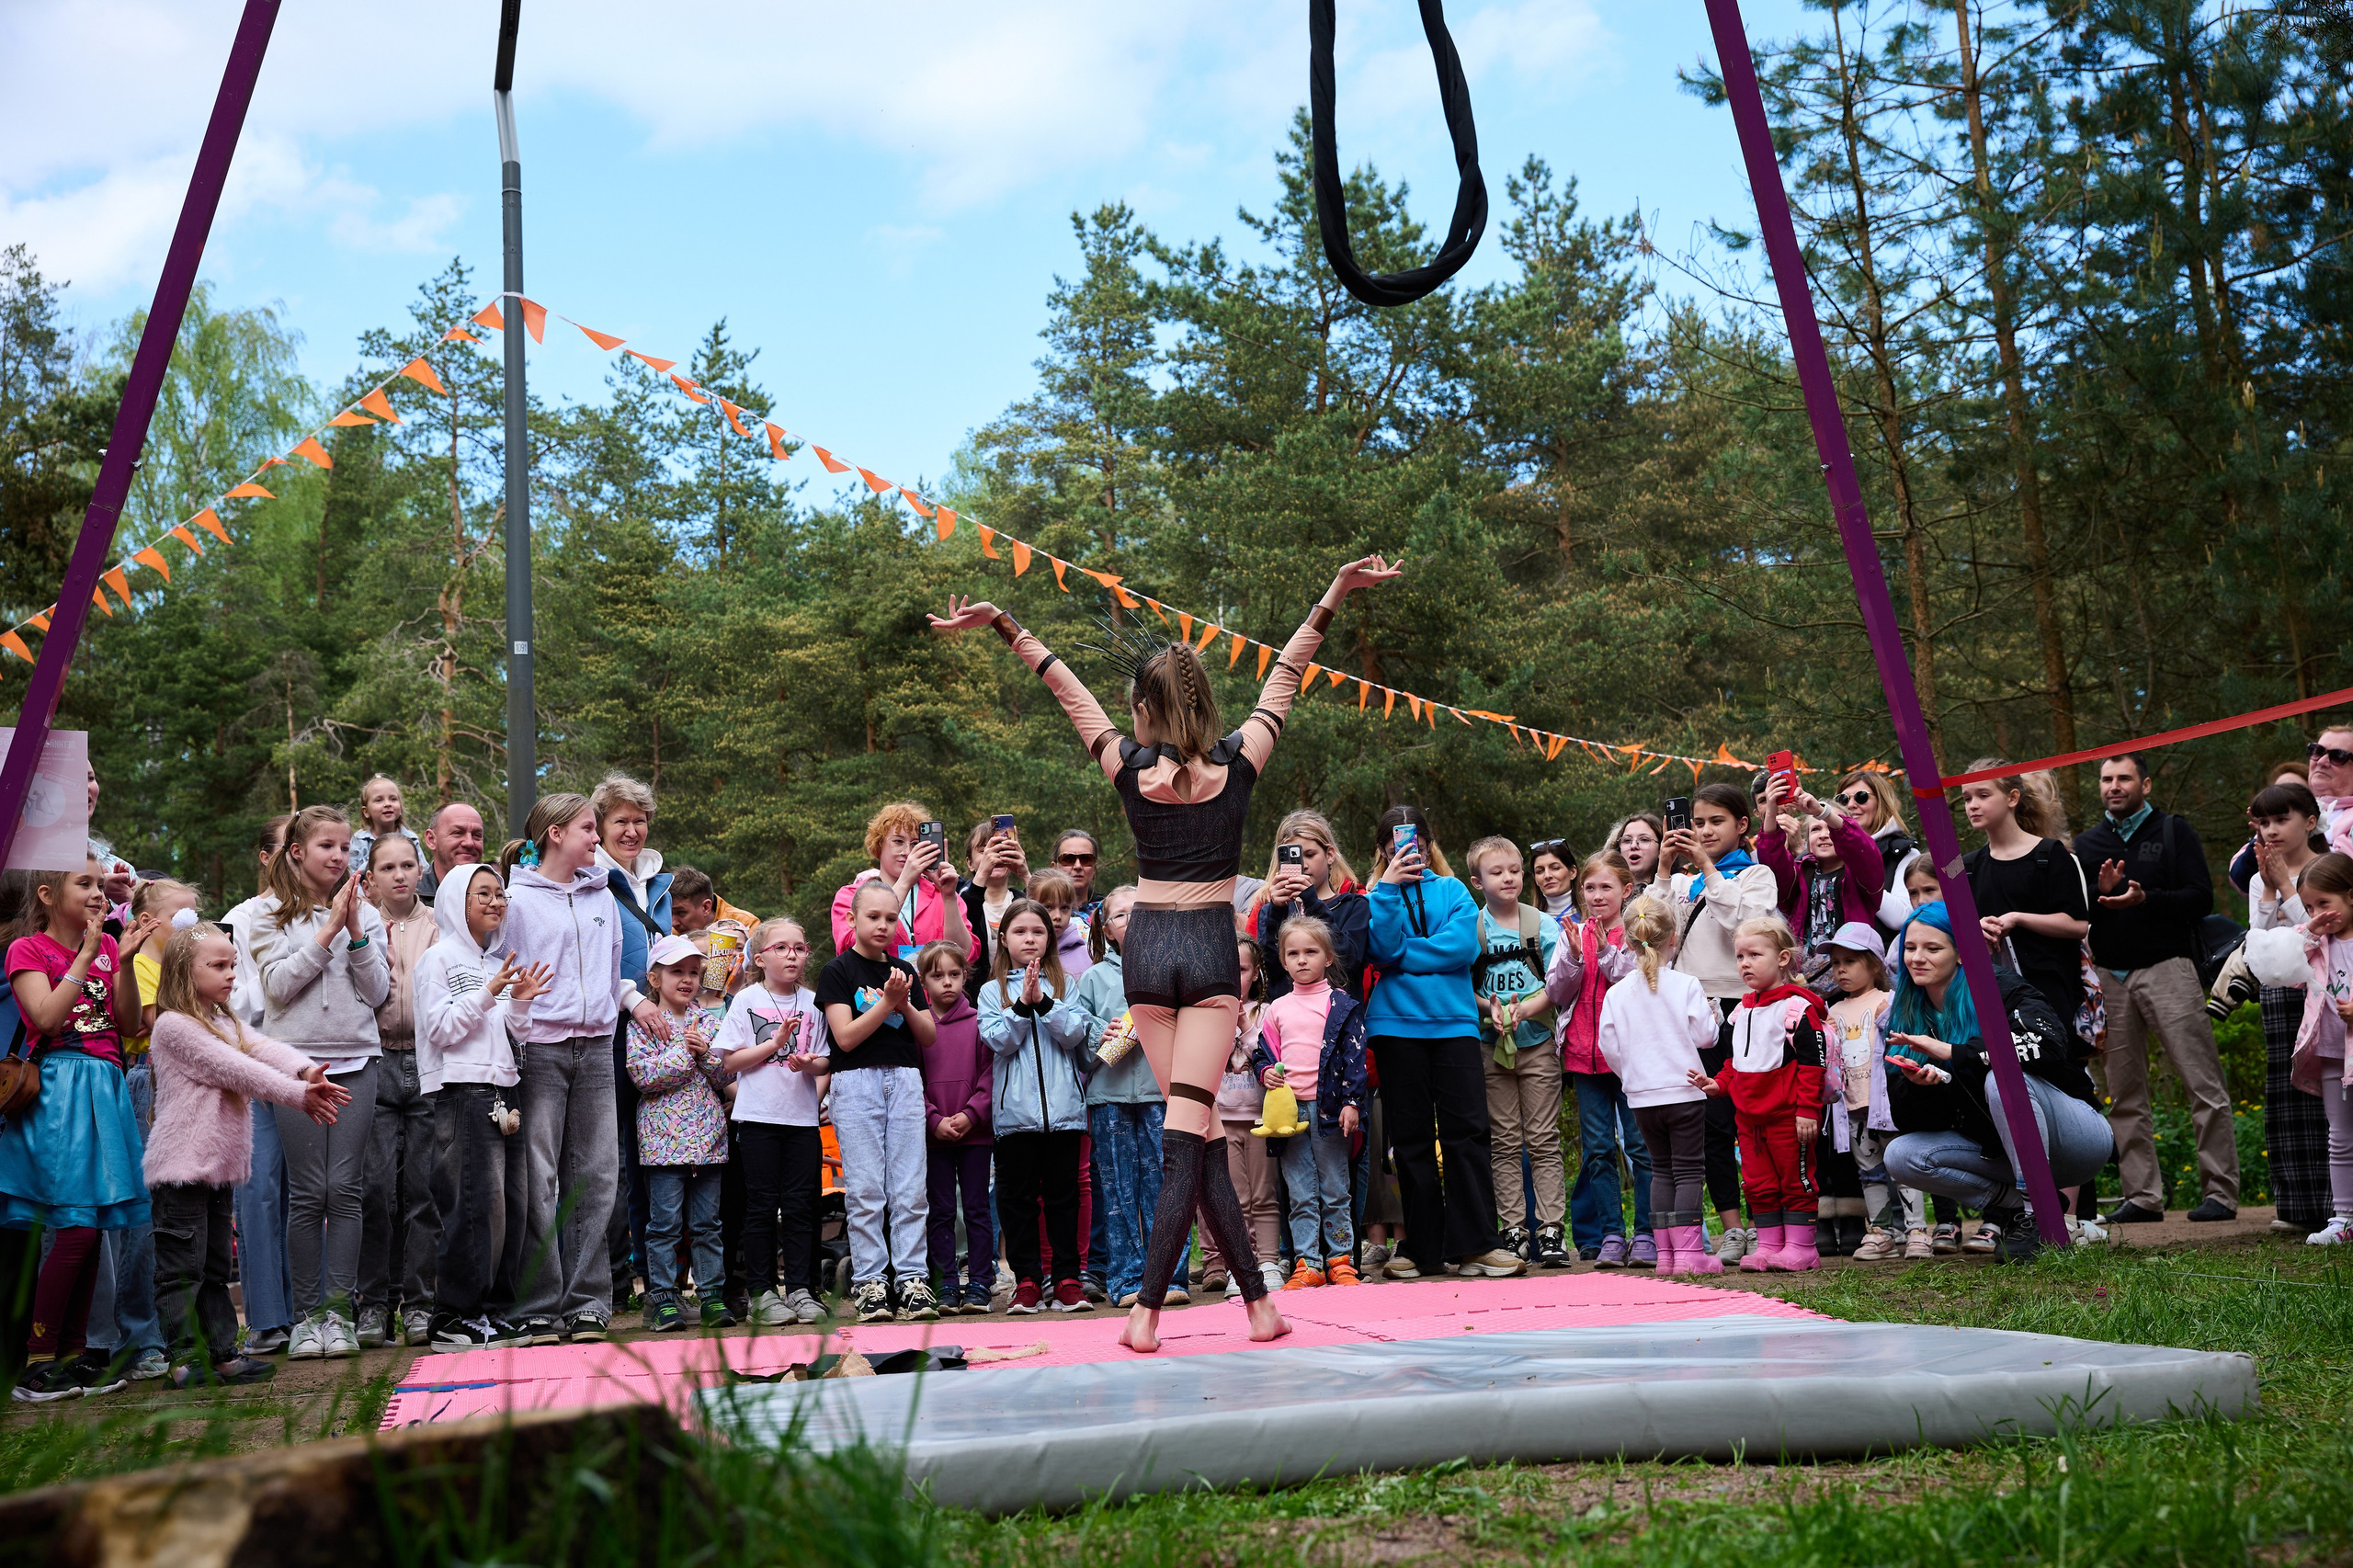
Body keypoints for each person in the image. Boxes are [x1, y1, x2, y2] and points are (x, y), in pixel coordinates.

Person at [931, 556, 1399, 1355]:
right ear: (1206, 702)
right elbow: (1288, 672)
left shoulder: (1126, 765)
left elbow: (1064, 687)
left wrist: (1008, 625)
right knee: (1189, 1132)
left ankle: (1256, 1302)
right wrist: (1335, 592)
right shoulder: (1243, 760)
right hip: (1210, 959)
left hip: (1147, 953)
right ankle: (1148, 1309)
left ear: (1145, 708)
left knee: (1200, 1131)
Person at [143, 924, 348, 1388]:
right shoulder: (174, 1026)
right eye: (217, 966)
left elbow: (261, 1047)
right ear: (182, 970)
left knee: (214, 1266)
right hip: (181, 1168)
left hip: (215, 1168)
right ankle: (182, 1359)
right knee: (180, 1270)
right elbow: (237, 1069)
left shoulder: (222, 1022)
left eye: (233, 964)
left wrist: (305, 1068)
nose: (231, 974)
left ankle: (220, 1353)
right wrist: (300, 1095)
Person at [503, 791, 666, 1346]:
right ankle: (539, 1304)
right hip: (540, 1051)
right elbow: (504, 975)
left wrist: (630, 1000)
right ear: (555, 834)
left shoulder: (603, 897)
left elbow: (606, 971)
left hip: (598, 1049)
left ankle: (588, 1303)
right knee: (539, 1177)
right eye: (587, 829)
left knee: (597, 1177)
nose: (597, 839)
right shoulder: (516, 900)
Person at [3, 859, 162, 1401]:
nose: (99, 894)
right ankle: (36, 1362)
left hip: (105, 1086)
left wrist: (122, 962)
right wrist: (88, 956)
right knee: (74, 1227)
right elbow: (45, 1018)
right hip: (60, 1090)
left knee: (93, 1227)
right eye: (85, 885)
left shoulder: (110, 950)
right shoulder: (27, 950)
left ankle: (72, 1357)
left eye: (101, 885)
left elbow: (125, 1022)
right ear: (47, 895)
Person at [1881, 903, 2113, 1263]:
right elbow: (1910, 1121)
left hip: (2077, 1137)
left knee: (1999, 1081)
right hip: (1998, 1151)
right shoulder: (1907, 1011)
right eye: (1910, 948)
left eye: (1933, 948)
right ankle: (2029, 1206)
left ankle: (2038, 1218)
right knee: (1901, 1155)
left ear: (1961, 953)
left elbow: (2048, 1044)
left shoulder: (2000, 988)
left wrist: (1951, 1052)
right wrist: (1921, 1087)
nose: (1917, 958)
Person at [2071, 754, 2239, 1223]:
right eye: (2107, 779)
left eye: (2124, 778)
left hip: (2170, 970)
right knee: (2124, 1094)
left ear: (2144, 784)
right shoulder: (2088, 843)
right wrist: (2102, 896)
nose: (2114, 786)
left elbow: (2200, 898)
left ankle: (2220, 1194)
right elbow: (2080, 916)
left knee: (2203, 1083)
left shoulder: (2172, 831)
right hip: (2110, 977)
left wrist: (2147, 898)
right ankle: (2143, 1197)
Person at [250, 806, 391, 1358]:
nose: (339, 857)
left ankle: (340, 1316)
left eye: (344, 849)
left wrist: (356, 928)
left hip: (358, 1061)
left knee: (346, 1190)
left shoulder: (368, 913)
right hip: (295, 1066)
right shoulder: (264, 915)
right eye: (326, 847)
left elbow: (378, 992)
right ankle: (309, 1320)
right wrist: (329, 927)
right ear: (296, 853)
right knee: (309, 1193)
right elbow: (279, 989)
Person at [1364, 805, 1524, 1281]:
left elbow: (1462, 949)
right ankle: (1421, 1248)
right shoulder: (1377, 895)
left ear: (1428, 844)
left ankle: (1477, 1245)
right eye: (1395, 844)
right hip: (1395, 1029)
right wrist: (1390, 890)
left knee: (1468, 1134)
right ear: (1383, 849)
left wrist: (1405, 957)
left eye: (1413, 842)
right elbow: (1381, 950)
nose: (1405, 850)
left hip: (1453, 1026)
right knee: (1409, 1142)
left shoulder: (1453, 890)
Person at [414, 862, 548, 1348]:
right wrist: (491, 995)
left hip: (502, 1090)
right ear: (455, 902)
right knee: (471, 1205)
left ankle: (492, 1310)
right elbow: (440, 1030)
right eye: (483, 894)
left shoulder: (497, 963)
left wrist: (522, 1002)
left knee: (506, 1208)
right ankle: (452, 1317)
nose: (496, 902)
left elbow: (516, 1035)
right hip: (461, 1092)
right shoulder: (439, 960)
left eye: (500, 895)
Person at [1649, 782, 1779, 1266]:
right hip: (1691, 1012)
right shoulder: (1683, 883)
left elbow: (1747, 929)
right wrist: (1665, 869)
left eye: (1715, 822)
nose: (1703, 830)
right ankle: (1732, 1227)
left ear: (1742, 826)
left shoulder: (1756, 876)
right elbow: (1653, 928)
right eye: (1696, 822)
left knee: (1755, 1118)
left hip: (1746, 1011)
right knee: (1711, 1125)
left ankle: (1773, 1221)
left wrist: (1708, 868)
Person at [819, 880, 939, 1324]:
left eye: (892, 918)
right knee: (867, 1189)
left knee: (909, 1187)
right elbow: (845, 1038)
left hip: (905, 1081)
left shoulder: (905, 970)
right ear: (852, 919)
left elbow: (928, 1034)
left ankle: (912, 1279)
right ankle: (870, 1281)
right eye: (873, 917)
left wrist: (903, 1003)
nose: (883, 926)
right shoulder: (838, 971)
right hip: (855, 1084)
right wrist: (886, 1003)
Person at [713, 917, 831, 1327]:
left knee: (802, 1207)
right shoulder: (746, 1001)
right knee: (760, 1207)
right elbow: (728, 1061)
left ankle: (802, 1288)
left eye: (799, 947)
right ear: (760, 958)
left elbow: (826, 1060)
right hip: (758, 1120)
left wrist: (811, 1071)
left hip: (801, 1124)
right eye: (781, 948)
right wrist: (774, 1045)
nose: (792, 955)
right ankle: (763, 1292)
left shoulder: (815, 1002)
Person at [1692, 917, 1827, 1273]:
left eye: (1755, 954)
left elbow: (1813, 1066)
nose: (1745, 963)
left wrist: (1807, 1111)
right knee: (1758, 1183)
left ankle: (1801, 1247)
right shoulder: (1741, 1010)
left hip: (1788, 1116)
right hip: (1748, 1119)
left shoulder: (1799, 1008)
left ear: (1783, 958)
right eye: (1739, 956)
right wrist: (1719, 1085)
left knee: (1795, 1180)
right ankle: (1769, 1245)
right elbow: (1736, 1062)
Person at [1595, 896, 1721, 1277]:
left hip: (1641, 1097)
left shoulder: (1617, 994)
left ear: (1628, 944)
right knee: (1687, 1171)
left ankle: (1666, 1257)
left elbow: (1608, 1046)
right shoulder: (1685, 985)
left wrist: (1632, 1074)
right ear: (1674, 939)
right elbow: (1706, 1037)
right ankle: (1689, 1254)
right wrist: (1714, 1016)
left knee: (1660, 1169)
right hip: (1683, 1092)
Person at [1076, 887, 1187, 1309]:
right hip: (1109, 1097)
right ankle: (1125, 1280)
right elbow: (1081, 1049)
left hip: (1162, 1093)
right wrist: (1097, 1034)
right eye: (1121, 916)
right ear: (1107, 929)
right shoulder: (1092, 978)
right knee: (1117, 1190)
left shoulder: (1172, 968)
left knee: (1165, 1185)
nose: (1132, 922)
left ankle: (1171, 1277)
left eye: (1140, 913)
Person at [979, 898, 1090, 1316]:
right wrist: (1022, 1005)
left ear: (1049, 939)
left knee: (1064, 1199)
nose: (1029, 938)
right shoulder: (992, 991)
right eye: (1021, 931)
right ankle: (1026, 1281)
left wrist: (1043, 1001)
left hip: (1064, 1114)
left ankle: (1066, 1279)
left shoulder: (1065, 987)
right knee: (1017, 1199)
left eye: (1038, 931)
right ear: (1004, 939)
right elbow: (999, 1040)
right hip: (1015, 1118)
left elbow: (1075, 1033)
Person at [1462, 836, 1563, 1267]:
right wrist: (1492, 1009)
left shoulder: (1542, 925)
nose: (1508, 878)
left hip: (1537, 1043)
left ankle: (1551, 1228)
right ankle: (1514, 1229)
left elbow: (1559, 983)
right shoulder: (1472, 929)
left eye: (1515, 870)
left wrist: (1524, 1010)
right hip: (1491, 1047)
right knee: (1503, 1141)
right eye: (1496, 872)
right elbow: (1463, 986)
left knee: (1543, 1139)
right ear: (1477, 881)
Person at [592, 774, 672, 1316]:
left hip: (661, 1032)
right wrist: (632, 999)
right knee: (610, 1155)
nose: (632, 829)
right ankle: (611, 1276)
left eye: (639, 820)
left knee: (655, 1153)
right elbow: (589, 956)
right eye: (620, 820)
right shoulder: (589, 878)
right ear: (597, 828)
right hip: (612, 1029)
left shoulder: (658, 881)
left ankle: (654, 1272)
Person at [1253, 915, 1369, 1288]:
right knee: (1300, 1191)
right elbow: (1263, 1052)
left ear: (1329, 958)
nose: (1302, 960)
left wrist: (1352, 1102)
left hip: (1330, 1112)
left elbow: (1355, 1057)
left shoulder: (1342, 1005)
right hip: (1289, 1114)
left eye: (1311, 952)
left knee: (1335, 1187)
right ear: (1283, 961)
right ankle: (1308, 1263)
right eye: (1293, 953)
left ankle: (1341, 1259)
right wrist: (1265, 1071)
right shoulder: (1276, 1008)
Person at [2244, 852, 2353, 1246]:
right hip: (2328, 1051)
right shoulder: (2317, 942)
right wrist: (2307, 928)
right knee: (2339, 1136)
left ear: (2351, 896)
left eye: (2325, 903)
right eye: (2309, 906)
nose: (2317, 912)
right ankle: (2343, 1217)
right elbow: (2279, 969)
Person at [358, 831, 439, 1349]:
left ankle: (421, 1303)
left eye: (408, 865)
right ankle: (373, 1305)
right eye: (388, 868)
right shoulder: (360, 924)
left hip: (429, 1063)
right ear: (371, 877)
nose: (400, 875)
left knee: (424, 1192)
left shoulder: (438, 923)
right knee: (375, 1191)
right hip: (378, 1059)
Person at [2242, 782, 2334, 1234]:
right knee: (2286, 1090)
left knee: (2327, 1090)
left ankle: (2337, 1204)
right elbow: (2258, 940)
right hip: (2278, 992)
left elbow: (2319, 933)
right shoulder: (2261, 873)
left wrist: (2285, 885)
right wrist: (2267, 889)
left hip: (2321, 987)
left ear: (2310, 821)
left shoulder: (2331, 867)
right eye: (2263, 822)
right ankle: (2297, 1204)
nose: (2271, 830)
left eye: (2282, 820)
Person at [626, 937, 731, 1332]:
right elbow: (644, 1077)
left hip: (708, 1140)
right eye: (676, 972)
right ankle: (664, 1299)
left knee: (707, 1225)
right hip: (662, 1144)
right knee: (663, 1226)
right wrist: (684, 1053)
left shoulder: (709, 1021)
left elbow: (726, 1075)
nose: (686, 980)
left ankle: (711, 1297)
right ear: (655, 978)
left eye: (693, 972)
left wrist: (706, 1054)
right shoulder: (643, 1025)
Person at [1549, 851, 1643, 1266]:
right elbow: (1557, 993)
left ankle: (1646, 1233)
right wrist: (1573, 956)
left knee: (1640, 1147)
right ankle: (1610, 1236)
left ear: (1626, 890)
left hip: (1631, 1060)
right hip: (1583, 1059)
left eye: (1606, 887)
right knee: (1599, 1149)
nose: (1597, 895)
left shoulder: (1639, 931)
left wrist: (1605, 954)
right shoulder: (1572, 932)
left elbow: (1636, 985)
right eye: (1590, 887)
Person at [226, 813, 295, 1354]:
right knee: (259, 1191)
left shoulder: (331, 913)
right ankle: (269, 1318)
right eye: (288, 847)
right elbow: (237, 1001)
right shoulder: (240, 920)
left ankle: (321, 1311)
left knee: (318, 1195)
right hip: (256, 1070)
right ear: (267, 857)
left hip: (316, 1067)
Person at [1959, 761, 2091, 1041]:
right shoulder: (1967, 866)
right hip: (1995, 995)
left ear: (2012, 797)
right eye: (1967, 798)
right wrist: (1976, 928)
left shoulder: (2049, 854)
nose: (1973, 805)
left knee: (2060, 1073)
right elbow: (1955, 930)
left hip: (2052, 992)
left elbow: (2077, 924)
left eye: (1983, 795)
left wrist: (2017, 918)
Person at [1817, 924, 1924, 1261]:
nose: (1840, 970)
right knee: (1870, 1172)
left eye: (1849, 961)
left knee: (1902, 1167)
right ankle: (1882, 1233)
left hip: (1886, 1105)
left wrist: (1889, 1020)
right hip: (1852, 1107)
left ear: (1874, 964)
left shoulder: (1888, 1001)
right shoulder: (1832, 1010)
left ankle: (1917, 1230)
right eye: (1835, 963)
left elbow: (1906, 1041)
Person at [1202, 939, 1283, 1297]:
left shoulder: (1266, 1012)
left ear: (1256, 973)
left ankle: (1268, 1260)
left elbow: (1269, 1054)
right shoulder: (1203, 1013)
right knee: (1234, 1196)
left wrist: (1242, 1025)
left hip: (1260, 1116)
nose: (1234, 977)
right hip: (1222, 1118)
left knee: (1264, 1194)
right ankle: (1243, 1264)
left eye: (1242, 970)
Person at [916, 939, 992, 1315]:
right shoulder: (918, 1025)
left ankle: (980, 1282)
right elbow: (912, 1079)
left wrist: (971, 1114)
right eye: (937, 975)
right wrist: (934, 1121)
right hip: (934, 1138)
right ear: (923, 981)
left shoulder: (981, 1022)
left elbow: (991, 1076)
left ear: (966, 976)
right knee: (940, 1210)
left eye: (954, 974)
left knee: (978, 1208)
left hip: (975, 1134)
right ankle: (945, 1282)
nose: (946, 982)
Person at [1756, 778, 1889, 978]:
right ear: (1807, 839)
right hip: (1806, 981)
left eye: (1830, 827)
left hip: (1855, 977)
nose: (1824, 834)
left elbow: (1862, 849)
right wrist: (1772, 810)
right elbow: (1772, 861)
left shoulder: (1862, 876)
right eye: (1816, 829)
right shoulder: (1800, 874)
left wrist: (1821, 812)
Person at [829, 802, 977, 971]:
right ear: (879, 845)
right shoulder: (851, 896)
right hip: (877, 994)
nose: (907, 852)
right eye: (898, 841)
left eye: (915, 844)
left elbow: (964, 956)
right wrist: (906, 881)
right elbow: (850, 948)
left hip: (932, 996)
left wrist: (949, 897)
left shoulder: (943, 895)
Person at [1247, 810, 1369, 1001]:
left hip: (1337, 1022)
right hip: (1287, 1023)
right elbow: (1268, 972)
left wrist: (1313, 903)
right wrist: (1277, 912)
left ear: (1330, 855)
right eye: (1293, 858)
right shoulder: (1270, 911)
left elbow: (1348, 962)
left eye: (1310, 854)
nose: (1303, 865)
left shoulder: (1355, 906)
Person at [1828, 770, 1923, 933]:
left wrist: (1860, 867)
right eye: (1842, 800)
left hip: (1879, 955)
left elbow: (1901, 918)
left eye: (1861, 797)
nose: (1850, 805)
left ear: (1882, 803)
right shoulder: (1828, 850)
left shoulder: (1904, 853)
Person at [961, 818, 1029, 998]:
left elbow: (1047, 917)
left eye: (1002, 848)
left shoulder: (1021, 899)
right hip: (975, 998)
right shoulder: (961, 900)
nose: (994, 855)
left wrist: (1025, 873)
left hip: (1022, 994)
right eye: (984, 850)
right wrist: (983, 873)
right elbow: (963, 925)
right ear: (970, 863)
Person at [417, 801, 487, 906]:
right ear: (431, 840)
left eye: (476, 835)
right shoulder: (411, 900)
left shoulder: (498, 898)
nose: (469, 843)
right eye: (458, 833)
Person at [349, 775, 423, 875]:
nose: (388, 804)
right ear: (366, 812)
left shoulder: (411, 839)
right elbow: (350, 876)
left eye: (393, 799)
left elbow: (423, 873)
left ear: (400, 807)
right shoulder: (358, 841)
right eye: (379, 800)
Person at [1030, 869, 1093, 982]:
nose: (1057, 916)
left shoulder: (1087, 956)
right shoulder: (1019, 951)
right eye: (1048, 907)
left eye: (1064, 908)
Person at [1051, 830, 1106, 926]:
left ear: (1094, 868)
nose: (1078, 866)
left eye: (1086, 859)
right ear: (1054, 867)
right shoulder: (1034, 906)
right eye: (1068, 859)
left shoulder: (1109, 910)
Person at [1609, 814, 1664, 890]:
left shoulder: (1679, 885)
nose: (1633, 846)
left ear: (1661, 849)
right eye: (1627, 840)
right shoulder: (1607, 892)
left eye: (1644, 839)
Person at [1529, 839, 1577, 920]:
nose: (1547, 875)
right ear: (1535, 879)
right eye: (1540, 871)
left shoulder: (1594, 915)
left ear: (1572, 872)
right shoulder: (1527, 921)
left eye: (1555, 868)